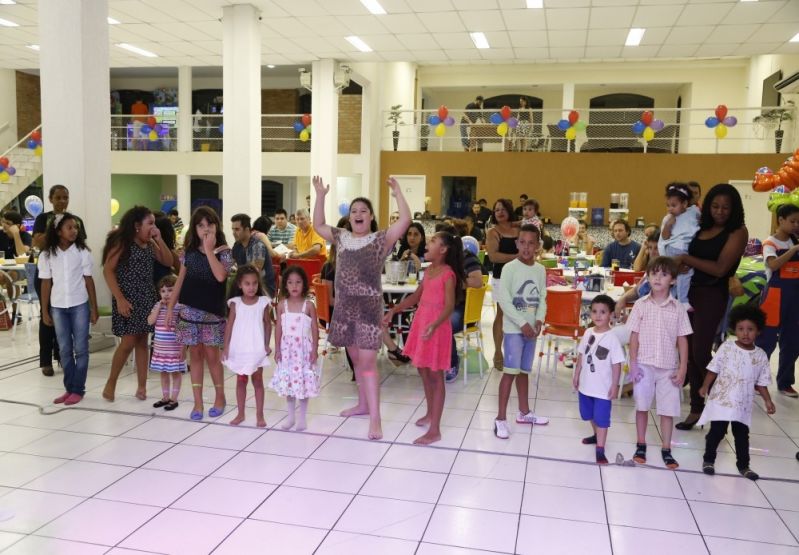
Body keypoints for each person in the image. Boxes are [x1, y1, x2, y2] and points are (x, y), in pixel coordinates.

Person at [312, 176, 411, 440]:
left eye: (363, 211)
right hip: (345, 308)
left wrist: (398, 193)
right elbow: (318, 224)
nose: (358, 214)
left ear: (370, 218)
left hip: (368, 309)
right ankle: (363, 405)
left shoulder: (381, 239)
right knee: (356, 361)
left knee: (368, 364)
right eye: (354, 211)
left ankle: (375, 420)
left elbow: (405, 221)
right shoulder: (342, 237)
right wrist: (320, 195)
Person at [675, 184, 748, 430]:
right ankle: (697, 408)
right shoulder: (701, 227)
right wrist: (682, 265)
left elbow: (719, 268)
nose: (720, 211)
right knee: (689, 353)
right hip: (688, 293)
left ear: (734, 209)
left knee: (700, 351)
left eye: (725, 207)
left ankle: (722, 401)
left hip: (712, 294)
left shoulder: (737, 231)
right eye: (715, 206)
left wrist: (686, 259)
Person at [387, 232, 464, 445]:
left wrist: (435, 324)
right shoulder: (429, 270)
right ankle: (430, 413)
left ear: (443, 250)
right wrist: (395, 310)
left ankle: (435, 429)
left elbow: (449, 306)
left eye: (432, 241)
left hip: (436, 328)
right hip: (422, 323)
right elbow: (415, 296)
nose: (427, 244)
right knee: (422, 369)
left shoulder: (448, 275)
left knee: (436, 375)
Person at [167, 206, 234, 421]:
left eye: (210, 224)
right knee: (194, 356)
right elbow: (179, 281)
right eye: (200, 225)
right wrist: (170, 308)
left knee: (212, 356)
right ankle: (197, 402)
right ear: (194, 228)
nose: (205, 229)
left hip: (212, 313)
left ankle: (220, 397)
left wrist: (209, 249)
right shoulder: (188, 253)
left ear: (217, 226)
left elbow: (221, 276)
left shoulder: (224, 251)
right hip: (189, 312)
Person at [102, 206, 173, 402]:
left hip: (147, 298)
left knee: (143, 342)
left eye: (154, 224)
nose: (153, 227)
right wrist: (120, 299)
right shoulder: (122, 243)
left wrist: (159, 238)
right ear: (136, 226)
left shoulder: (150, 244)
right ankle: (111, 382)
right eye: (149, 223)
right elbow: (108, 271)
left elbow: (167, 261)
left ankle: (142, 387)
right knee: (128, 343)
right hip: (128, 298)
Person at [627, 257, 692, 469]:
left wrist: (683, 368)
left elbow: (683, 339)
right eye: (654, 273)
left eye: (664, 274)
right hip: (644, 365)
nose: (658, 278)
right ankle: (641, 444)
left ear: (672, 280)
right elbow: (634, 337)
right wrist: (633, 364)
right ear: (648, 275)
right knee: (642, 406)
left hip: (668, 368)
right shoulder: (640, 305)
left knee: (667, 410)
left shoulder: (678, 309)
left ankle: (666, 448)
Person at [699, 305, 776, 480]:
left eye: (750, 329)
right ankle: (708, 460)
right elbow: (714, 369)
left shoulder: (761, 356)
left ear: (758, 331)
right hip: (722, 400)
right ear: (734, 328)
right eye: (741, 329)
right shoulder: (727, 347)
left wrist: (768, 401)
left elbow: (762, 383)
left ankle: (744, 466)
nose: (745, 333)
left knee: (742, 435)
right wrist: (705, 386)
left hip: (743, 404)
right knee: (717, 432)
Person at [493, 224, 549, 439]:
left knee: (524, 372)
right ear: (517, 244)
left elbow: (542, 297)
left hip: (531, 330)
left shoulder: (540, 270)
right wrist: (521, 323)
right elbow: (504, 301)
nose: (526, 247)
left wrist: (538, 320)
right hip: (514, 330)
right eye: (522, 242)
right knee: (510, 372)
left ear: (537, 246)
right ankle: (500, 419)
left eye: (531, 243)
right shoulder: (509, 268)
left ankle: (524, 413)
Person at [39, 213, 98, 406]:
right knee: (64, 349)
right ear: (58, 232)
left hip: (79, 305)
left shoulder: (82, 252)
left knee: (81, 349)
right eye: (69, 227)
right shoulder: (47, 255)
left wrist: (93, 308)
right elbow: (46, 284)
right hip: (57, 306)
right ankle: (69, 388)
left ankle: (78, 389)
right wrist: (44, 310)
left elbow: (89, 281)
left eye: (76, 227)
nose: (74, 231)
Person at [32, 185, 86, 377]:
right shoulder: (42, 219)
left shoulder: (75, 220)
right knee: (47, 315)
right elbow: (38, 242)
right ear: (50, 199)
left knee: (65, 315)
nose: (62, 201)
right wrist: (56, 230)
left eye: (65, 197)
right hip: (47, 274)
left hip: (70, 275)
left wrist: (67, 230)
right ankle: (46, 361)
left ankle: (63, 356)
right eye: (58, 197)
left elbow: (80, 243)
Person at [573, 295, 625, 464]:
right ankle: (596, 436)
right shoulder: (588, 332)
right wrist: (576, 374)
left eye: (603, 312)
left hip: (603, 389)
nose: (598, 315)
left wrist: (615, 385)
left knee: (602, 419)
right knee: (588, 414)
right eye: (594, 311)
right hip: (586, 386)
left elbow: (617, 364)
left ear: (610, 315)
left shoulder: (612, 338)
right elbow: (581, 354)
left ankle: (600, 449)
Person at [756, 203, 799, 397]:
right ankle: (757, 381)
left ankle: (785, 383)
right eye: (792, 221)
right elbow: (772, 265)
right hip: (774, 295)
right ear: (780, 220)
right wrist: (793, 250)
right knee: (766, 340)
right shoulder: (770, 243)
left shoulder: (795, 240)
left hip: (795, 297)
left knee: (793, 341)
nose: (796, 225)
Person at [270, 266, 320, 431]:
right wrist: (277, 348)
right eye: (290, 282)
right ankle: (291, 417)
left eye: (298, 282)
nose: (294, 286)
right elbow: (278, 328)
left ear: (304, 284)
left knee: (302, 384)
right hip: (287, 351)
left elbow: (314, 329)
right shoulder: (282, 305)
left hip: (303, 351)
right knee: (289, 383)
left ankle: (302, 418)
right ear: (285, 285)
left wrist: (315, 349)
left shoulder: (309, 305)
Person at [223, 264, 272, 427]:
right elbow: (229, 326)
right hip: (240, 349)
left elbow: (267, 324)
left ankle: (260, 414)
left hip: (256, 349)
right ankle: (240, 413)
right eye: (247, 284)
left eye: (254, 283)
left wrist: (266, 344)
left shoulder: (263, 302)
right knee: (241, 381)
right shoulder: (235, 303)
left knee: (257, 381)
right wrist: (226, 346)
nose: (251, 287)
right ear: (239, 285)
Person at [486, 199, 519, 371]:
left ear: (509, 210)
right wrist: (517, 258)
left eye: (503, 209)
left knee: (518, 315)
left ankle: (514, 353)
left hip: (520, 278)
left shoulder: (518, 229)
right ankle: (498, 352)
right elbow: (493, 257)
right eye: (496, 209)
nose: (499, 212)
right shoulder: (493, 232)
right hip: (501, 278)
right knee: (501, 314)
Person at [658, 183, 700, 308]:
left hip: (686, 249)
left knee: (685, 275)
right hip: (674, 249)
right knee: (685, 273)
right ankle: (683, 300)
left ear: (685, 204)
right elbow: (664, 237)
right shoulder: (668, 218)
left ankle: (673, 297)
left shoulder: (692, 212)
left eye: (673, 205)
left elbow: (700, 220)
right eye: (668, 205)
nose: (670, 208)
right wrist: (668, 225)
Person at [147, 274, 185, 411]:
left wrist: (183, 349)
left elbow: (183, 330)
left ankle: (174, 399)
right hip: (160, 349)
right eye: (163, 291)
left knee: (175, 373)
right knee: (163, 372)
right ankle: (165, 397)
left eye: (170, 290)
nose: (166, 294)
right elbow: (150, 321)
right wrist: (159, 307)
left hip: (174, 349)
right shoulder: (158, 305)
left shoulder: (180, 307)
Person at [231, 213, 276, 297]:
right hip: (246, 286)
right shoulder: (237, 245)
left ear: (247, 230)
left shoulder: (258, 245)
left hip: (263, 288)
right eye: (233, 229)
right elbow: (228, 265)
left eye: (237, 229)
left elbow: (254, 272)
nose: (233, 233)